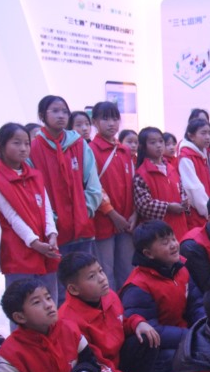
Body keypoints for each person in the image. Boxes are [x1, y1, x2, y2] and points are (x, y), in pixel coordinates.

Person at [57, 252, 162, 372]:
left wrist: (137, 322)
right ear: (73, 289)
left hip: (115, 365)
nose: (102, 278)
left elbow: (120, 323)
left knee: (147, 337)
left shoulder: (109, 296)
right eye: (92, 276)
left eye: (100, 271)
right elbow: (96, 365)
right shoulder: (68, 320)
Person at [29, 95, 102, 302]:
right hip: (54, 232)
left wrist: (85, 210)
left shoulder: (79, 144)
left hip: (82, 227)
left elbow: (93, 183)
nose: (61, 115)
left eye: (64, 111)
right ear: (42, 115)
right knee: (60, 289)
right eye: (55, 111)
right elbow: (34, 191)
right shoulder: (33, 148)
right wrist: (51, 220)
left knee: (86, 281)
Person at [121, 221, 205, 372]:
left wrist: (203, 327)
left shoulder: (180, 268)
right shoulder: (138, 285)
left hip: (182, 334)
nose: (174, 245)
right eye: (165, 243)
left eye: (173, 239)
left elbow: (196, 304)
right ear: (148, 254)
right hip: (158, 347)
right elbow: (153, 331)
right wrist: (192, 336)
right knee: (191, 354)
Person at [0, 124, 59, 315]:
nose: (24, 148)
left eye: (27, 143)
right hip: (19, 253)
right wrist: (34, 242)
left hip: (46, 248)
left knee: (50, 305)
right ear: (1, 146)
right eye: (16, 143)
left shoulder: (35, 175)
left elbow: (46, 208)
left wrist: (52, 233)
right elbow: (11, 216)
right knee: (23, 309)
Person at [89, 101, 137, 291]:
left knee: (127, 269)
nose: (111, 123)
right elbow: (94, 187)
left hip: (127, 221)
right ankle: (110, 307)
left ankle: (128, 306)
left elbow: (133, 184)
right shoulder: (91, 150)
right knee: (105, 271)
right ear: (95, 122)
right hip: (104, 220)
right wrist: (112, 214)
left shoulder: (125, 151)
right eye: (105, 119)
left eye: (115, 118)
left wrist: (135, 214)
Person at [133, 127, 189, 241]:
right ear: (143, 147)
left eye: (161, 141)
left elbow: (181, 189)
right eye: (153, 143)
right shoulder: (142, 174)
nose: (158, 145)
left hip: (179, 224)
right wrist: (168, 207)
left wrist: (185, 201)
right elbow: (144, 205)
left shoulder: (171, 168)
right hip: (158, 231)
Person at [178, 118, 210, 229]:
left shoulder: (202, 154)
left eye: (209, 133)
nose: (208, 137)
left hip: (207, 210)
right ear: (191, 136)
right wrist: (209, 212)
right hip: (198, 213)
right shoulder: (186, 157)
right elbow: (193, 189)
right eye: (203, 133)